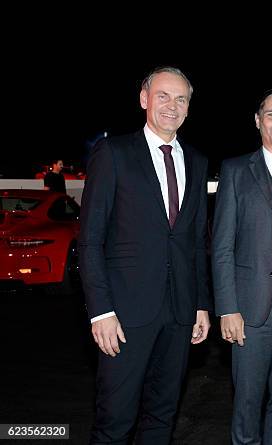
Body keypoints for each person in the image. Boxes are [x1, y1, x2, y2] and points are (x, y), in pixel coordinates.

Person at [79, 67, 212, 444]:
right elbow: (90, 239)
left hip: (179, 312)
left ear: (189, 106)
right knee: (114, 421)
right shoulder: (115, 153)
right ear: (144, 99)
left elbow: (196, 241)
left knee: (162, 417)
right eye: (163, 96)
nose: (172, 105)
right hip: (124, 315)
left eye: (181, 98)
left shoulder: (198, 162)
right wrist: (101, 311)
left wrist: (200, 303)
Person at [212, 88, 272, 444]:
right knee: (248, 401)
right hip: (251, 309)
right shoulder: (236, 170)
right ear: (257, 121)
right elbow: (221, 245)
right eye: (270, 114)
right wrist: (227, 309)